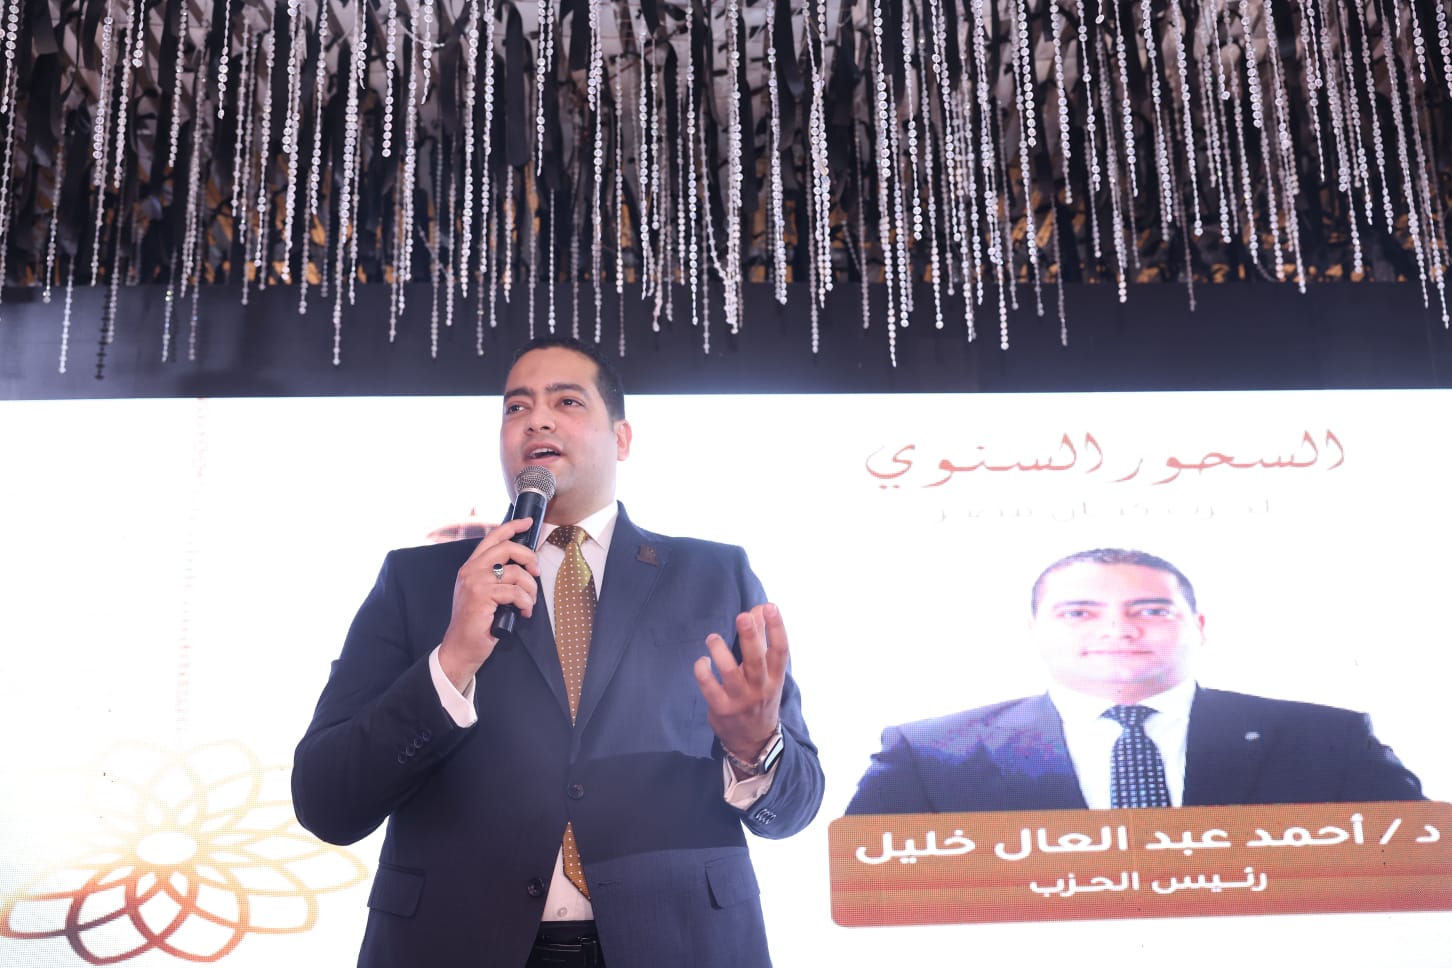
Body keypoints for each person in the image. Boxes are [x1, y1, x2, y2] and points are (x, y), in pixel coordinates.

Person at [293, 337, 823, 968]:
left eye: (567, 402)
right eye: (516, 408)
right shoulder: (420, 583)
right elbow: (326, 802)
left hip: (680, 943)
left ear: (622, 439)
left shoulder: (715, 575)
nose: (537, 420)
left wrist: (755, 748)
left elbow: (797, 806)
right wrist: (451, 663)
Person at [845, 548, 1423, 815]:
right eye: (1079, 612)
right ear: (1033, 629)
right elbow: (865, 891)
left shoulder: (1327, 739)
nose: (1118, 629)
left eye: (1151, 610)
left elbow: (1420, 867)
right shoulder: (929, 754)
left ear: (1199, 627)